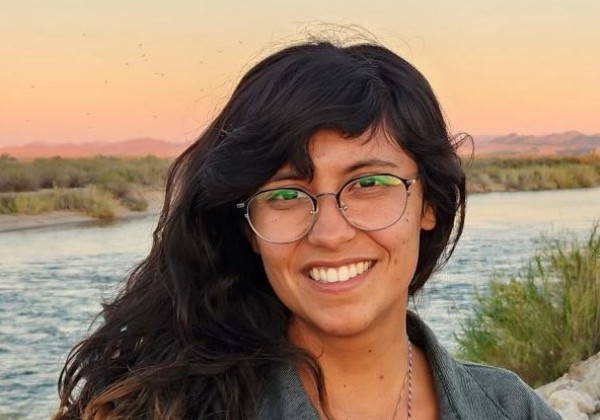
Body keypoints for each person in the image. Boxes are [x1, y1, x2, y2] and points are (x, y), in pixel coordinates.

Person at [54, 39, 560, 419]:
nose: (330, 233)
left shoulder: (510, 410)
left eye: (369, 183)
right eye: (284, 194)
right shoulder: (161, 410)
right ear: (247, 226)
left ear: (428, 202)